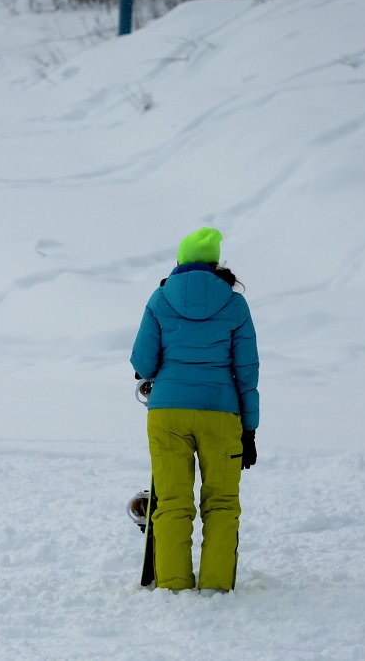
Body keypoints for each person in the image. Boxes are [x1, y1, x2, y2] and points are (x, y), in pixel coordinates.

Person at [130, 227, 259, 594]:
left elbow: (142, 361)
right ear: (215, 263)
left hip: (168, 412)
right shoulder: (235, 304)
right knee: (221, 502)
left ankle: (173, 585)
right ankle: (217, 585)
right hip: (221, 413)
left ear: (181, 261)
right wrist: (249, 430)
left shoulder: (159, 299)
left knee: (171, 500)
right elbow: (247, 372)